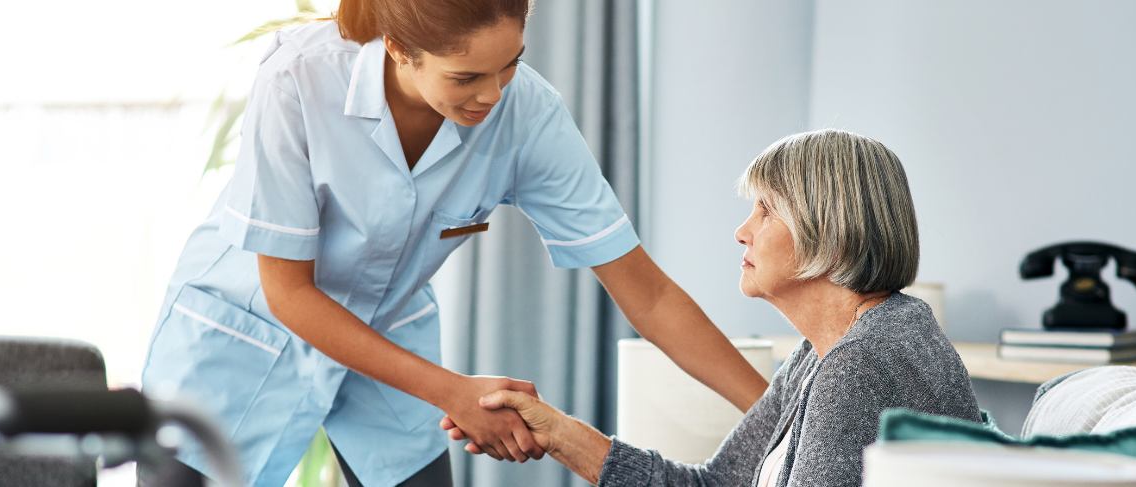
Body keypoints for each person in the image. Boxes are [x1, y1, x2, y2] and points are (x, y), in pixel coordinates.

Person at [139, 1, 769, 486]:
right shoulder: (299, 79)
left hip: (390, 328)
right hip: (245, 333)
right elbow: (290, 293)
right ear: (398, 49)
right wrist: (454, 392)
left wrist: (782, 412)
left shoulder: (526, 113)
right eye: (466, 75)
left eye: (511, 63)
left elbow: (649, 295)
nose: (493, 95)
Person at [445, 129, 984, 486]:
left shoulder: (863, 364)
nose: (742, 231)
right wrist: (556, 432)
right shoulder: (823, 353)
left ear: (832, 230)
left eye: (765, 210)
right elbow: (716, 484)